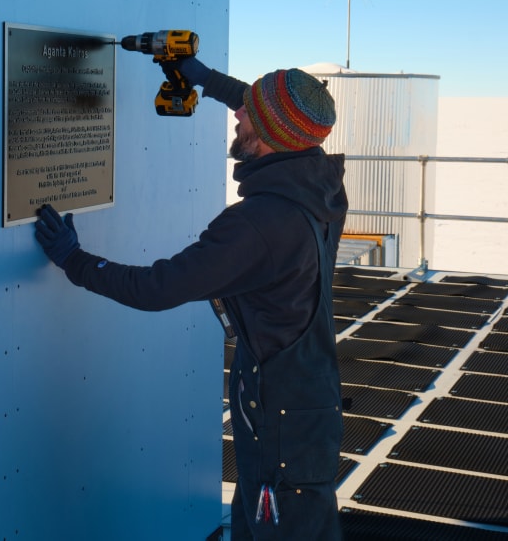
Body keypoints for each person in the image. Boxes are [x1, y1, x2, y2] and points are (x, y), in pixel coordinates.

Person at [34, 57, 347, 541]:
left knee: (283, 531)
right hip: (305, 397)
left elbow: (157, 289)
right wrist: (201, 77)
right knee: (260, 522)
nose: (236, 114)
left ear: (270, 134)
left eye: (247, 114)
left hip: (280, 416)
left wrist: (74, 259)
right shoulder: (319, 184)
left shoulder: (260, 225)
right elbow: (258, 107)